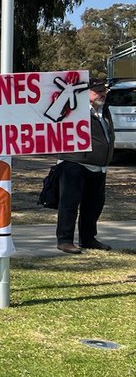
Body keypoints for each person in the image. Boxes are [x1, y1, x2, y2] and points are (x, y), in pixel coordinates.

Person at [56, 78, 116, 254]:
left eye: (103, 91)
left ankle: (88, 238)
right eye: (97, 91)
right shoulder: (76, 110)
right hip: (75, 163)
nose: (102, 94)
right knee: (70, 203)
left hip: (98, 166)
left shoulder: (103, 111)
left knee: (94, 205)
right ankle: (65, 240)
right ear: (86, 93)